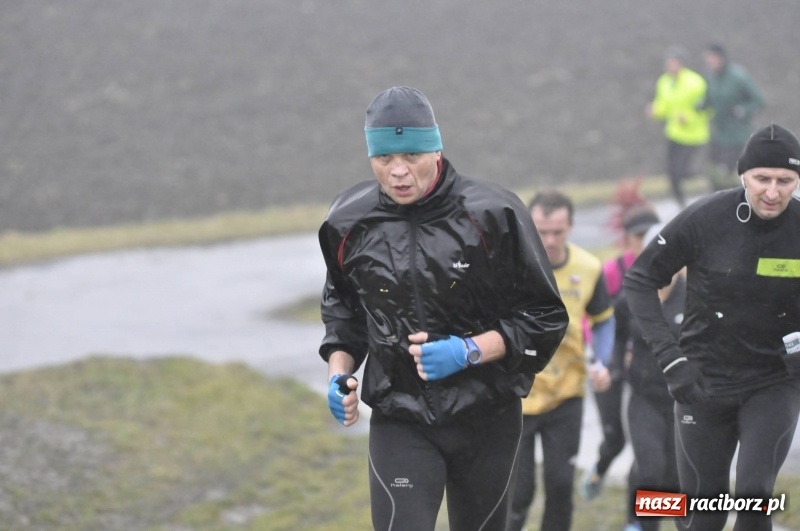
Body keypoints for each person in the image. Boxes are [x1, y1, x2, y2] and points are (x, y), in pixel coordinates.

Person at [318, 86, 569, 531]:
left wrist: (470, 350)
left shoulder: (494, 213)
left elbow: (545, 318)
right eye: (384, 159)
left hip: (487, 417)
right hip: (400, 417)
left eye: (411, 155)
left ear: (436, 148)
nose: (398, 172)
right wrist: (339, 372)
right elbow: (345, 311)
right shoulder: (346, 222)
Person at [624, 123, 800, 531]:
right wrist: (671, 359)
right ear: (743, 176)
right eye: (762, 179)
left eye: (785, 180)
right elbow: (640, 280)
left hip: (773, 381)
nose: (772, 192)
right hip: (703, 381)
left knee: (755, 501)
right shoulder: (707, 217)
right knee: (704, 514)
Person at [507, 190, 615, 531]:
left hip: (566, 395)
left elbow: (604, 320)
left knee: (559, 485)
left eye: (558, 231)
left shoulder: (588, 267)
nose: (550, 240)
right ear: (529, 226)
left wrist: (602, 361)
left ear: (570, 226)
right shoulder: (509, 266)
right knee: (517, 492)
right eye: (542, 231)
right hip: (516, 397)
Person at [581, 203, 661, 526]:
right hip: (609, 364)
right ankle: (599, 470)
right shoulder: (614, 271)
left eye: (651, 235)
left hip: (646, 374)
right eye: (639, 236)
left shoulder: (669, 271)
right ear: (628, 240)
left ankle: (640, 521)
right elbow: (594, 320)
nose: (646, 242)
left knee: (652, 454)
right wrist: (608, 358)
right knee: (616, 439)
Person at [614, 231, 684, 531]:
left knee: (675, 478)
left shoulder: (696, 296)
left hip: (684, 400)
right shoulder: (633, 294)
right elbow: (617, 336)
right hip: (644, 398)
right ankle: (640, 524)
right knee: (652, 471)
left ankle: (665, 520)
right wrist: (614, 369)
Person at [646, 46, 710, 208]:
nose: (671, 66)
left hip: (693, 135)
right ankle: (681, 204)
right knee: (672, 173)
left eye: (674, 62)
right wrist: (655, 110)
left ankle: (702, 184)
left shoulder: (695, 83)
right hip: (673, 133)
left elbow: (707, 109)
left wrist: (688, 117)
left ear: (682, 64)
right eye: (669, 62)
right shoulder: (664, 81)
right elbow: (664, 106)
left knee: (682, 171)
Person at [703, 43, 765, 191]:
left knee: (727, 170)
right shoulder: (711, 78)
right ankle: (717, 203)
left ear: (722, 58)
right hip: (718, 132)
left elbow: (759, 100)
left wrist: (742, 110)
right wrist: (700, 105)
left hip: (737, 133)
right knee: (714, 171)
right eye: (708, 59)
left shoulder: (738, 76)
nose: (710, 62)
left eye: (713, 58)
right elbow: (709, 99)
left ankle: (739, 199)